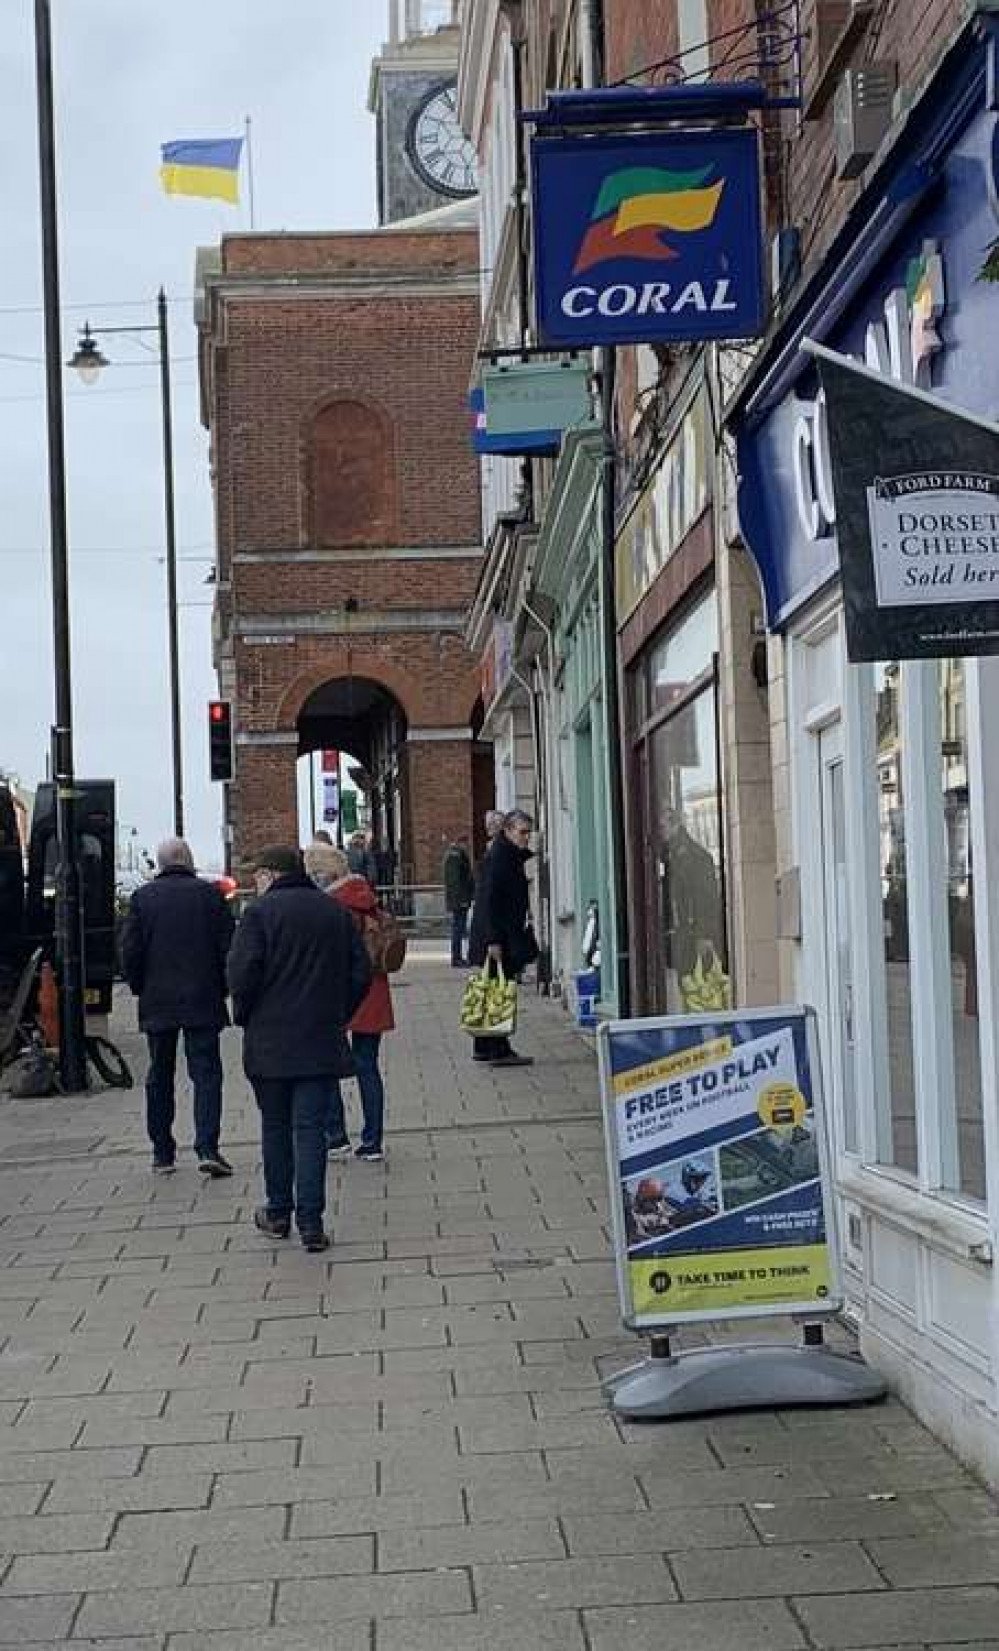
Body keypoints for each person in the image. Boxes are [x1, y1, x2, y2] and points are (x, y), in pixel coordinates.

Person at [228, 844, 371, 1253]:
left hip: (270, 1042)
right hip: (319, 1038)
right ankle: (312, 1221)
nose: (255, 882)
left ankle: (278, 1212)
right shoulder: (333, 912)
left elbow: (241, 975)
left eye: (257, 875)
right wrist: (337, 1013)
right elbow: (359, 971)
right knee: (310, 1131)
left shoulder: (258, 915)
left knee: (275, 1128)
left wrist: (248, 1014)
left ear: (271, 875)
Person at [121, 838, 234, 1178]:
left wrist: (140, 987)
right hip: (203, 997)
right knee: (207, 1074)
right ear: (189, 859)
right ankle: (207, 1146)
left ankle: (162, 1151)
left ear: (159, 863)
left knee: (159, 1074)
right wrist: (223, 988)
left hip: (159, 1000)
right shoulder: (210, 896)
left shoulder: (143, 899)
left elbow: (130, 952)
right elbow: (228, 948)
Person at [310, 846, 396, 1163]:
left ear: (324, 874)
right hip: (374, 990)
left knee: (329, 1065)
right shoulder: (368, 898)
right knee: (368, 1067)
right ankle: (372, 1140)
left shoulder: (331, 906)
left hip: (339, 993)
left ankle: (336, 1137)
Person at [467, 809, 537, 1068]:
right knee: (498, 990)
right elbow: (489, 902)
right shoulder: (499, 858)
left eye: (529, 832)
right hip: (497, 937)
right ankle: (497, 1046)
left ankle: (485, 1045)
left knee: (491, 991)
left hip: (500, 934)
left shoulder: (506, 855)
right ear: (507, 831)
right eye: (522, 832)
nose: (526, 837)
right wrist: (493, 941)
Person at [442, 833, 475, 968]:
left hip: (460, 897)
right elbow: (455, 880)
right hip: (459, 898)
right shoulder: (455, 856)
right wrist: (461, 899)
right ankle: (456, 958)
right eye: (466, 844)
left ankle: (458, 957)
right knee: (458, 928)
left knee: (459, 928)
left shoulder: (456, 855)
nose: (467, 847)